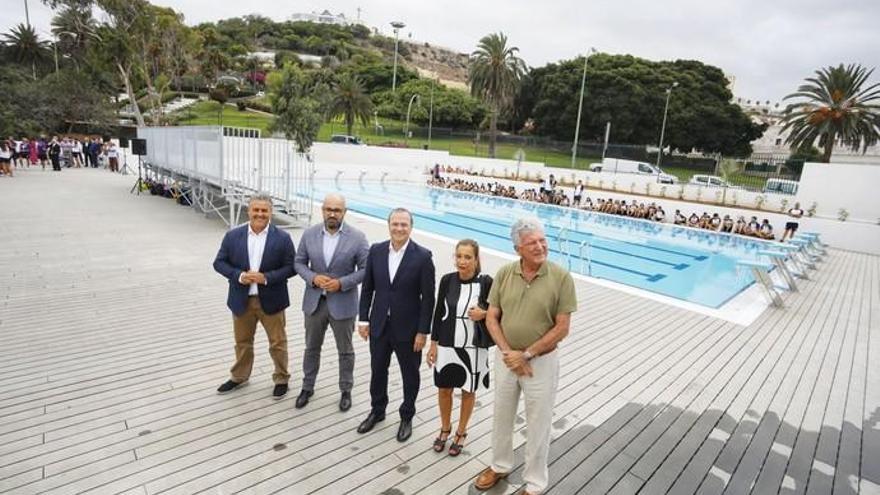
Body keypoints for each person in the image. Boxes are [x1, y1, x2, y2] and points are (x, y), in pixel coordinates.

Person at [474, 218, 577, 495]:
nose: (540, 246)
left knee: (539, 423)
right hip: (507, 359)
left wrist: (527, 354)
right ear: (518, 247)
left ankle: (534, 483)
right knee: (501, 416)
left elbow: (562, 327)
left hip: (541, 363)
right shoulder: (506, 273)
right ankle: (500, 465)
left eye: (543, 240)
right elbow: (492, 317)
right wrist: (509, 353)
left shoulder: (561, 277)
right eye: (532, 242)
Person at [356, 208, 436, 442]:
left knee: (410, 374)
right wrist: (363, 319)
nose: (399, 228)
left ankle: (407, 415)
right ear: (388, 225)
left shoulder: (422, 257)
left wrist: (423, 331)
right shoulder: (376, 251)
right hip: (379, 325)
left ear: (411, 227)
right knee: (377, 370)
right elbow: (368, 288)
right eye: (395, 224)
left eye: (404, 224)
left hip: (409, 330)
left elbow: (428, 299)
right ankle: (377, 410)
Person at [213, 193, 297, 399]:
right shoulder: (233, 236)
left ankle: (281, 378)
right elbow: (219, 263)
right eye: (256, 210)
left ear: (270, 212)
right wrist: (239, 275)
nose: (260, 214)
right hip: (241, 300)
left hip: (272, 300)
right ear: (249, 211)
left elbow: (292, 267)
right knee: (242, 342)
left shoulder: (283, 238)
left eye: (264, 210)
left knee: (277, 343)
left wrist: (266, 277)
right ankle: (239, 376)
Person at [293, 193, 369, 411]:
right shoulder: (309, 234)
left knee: (345, 351)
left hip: (343, 304)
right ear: (323, 210)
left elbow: (366, 270)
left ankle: (346, 390)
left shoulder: (358, 237)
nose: (332, 214)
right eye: (329, 209)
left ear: (344, 212)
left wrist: (342, 283)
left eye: (337, 210)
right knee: (311, 348)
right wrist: (313, 278)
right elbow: (299, 263)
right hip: (314, 303)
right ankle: (307, 387)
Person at [426, 239, 492, 456]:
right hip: (446, 343)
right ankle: (445, 428)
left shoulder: (485, 283)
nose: (462, 261)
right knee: (444, 388)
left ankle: (461, 432)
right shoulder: (447, 280)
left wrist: (484, 314)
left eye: (467, 257)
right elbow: (438, 314)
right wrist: (433, 345)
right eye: (459, 256)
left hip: (472, 347)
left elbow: (499, 311)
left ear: (476, 259)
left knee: (467, 390)